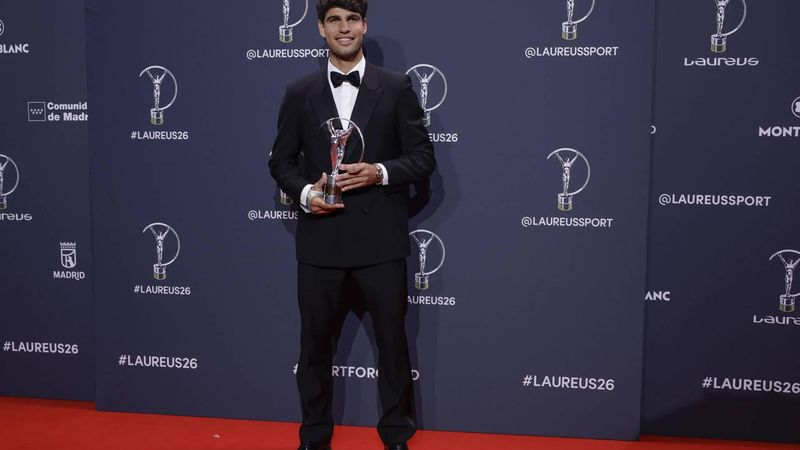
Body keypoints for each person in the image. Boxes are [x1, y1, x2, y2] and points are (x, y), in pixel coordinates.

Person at [268, 1, 436, 449]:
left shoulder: (398, 87)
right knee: (314, 349)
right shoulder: (298, 90)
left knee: (394, 348)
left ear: (365, 26)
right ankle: (314, 436)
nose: (344, 29)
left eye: (352, 20)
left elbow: (423, 158)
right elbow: (280, 160)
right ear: (321, 29)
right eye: (334, 21)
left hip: (380, 243)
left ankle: (397, 434)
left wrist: (378, 171)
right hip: (321, 244)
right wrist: (306, 194)